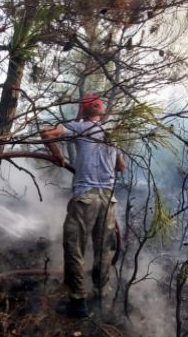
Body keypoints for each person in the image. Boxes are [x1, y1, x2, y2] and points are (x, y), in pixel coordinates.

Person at [40, 94, 125, 318]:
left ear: (83, 111)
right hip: (108, 199)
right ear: (101, 111)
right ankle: (101, 295)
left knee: (74, 246)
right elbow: (121, 166)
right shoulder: (110, 133)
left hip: (86, 196)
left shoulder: (80, 127)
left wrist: (57, 155)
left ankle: (78, 303)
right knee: (104, 249)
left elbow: (46, 133)